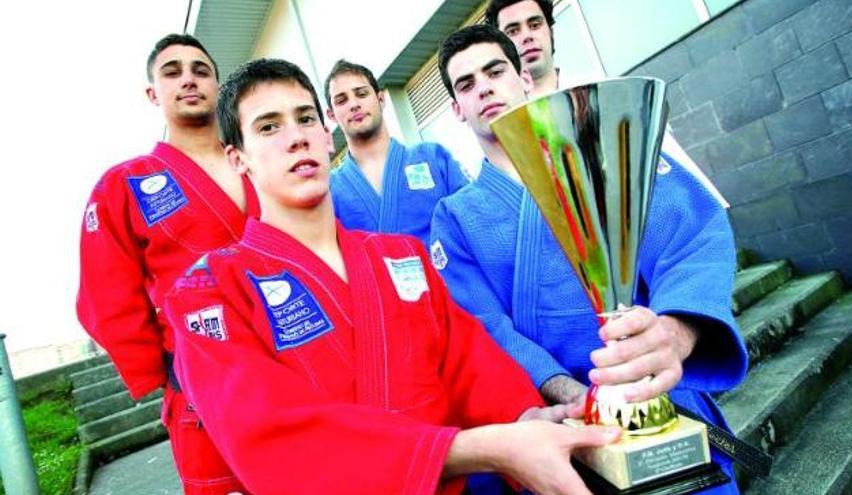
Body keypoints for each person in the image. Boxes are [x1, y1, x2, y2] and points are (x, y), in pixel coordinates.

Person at [163, 57, 621, 495]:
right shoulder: (209, 292)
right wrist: (474, 449)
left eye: (305, 119)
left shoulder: (401, 255)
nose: (296, 138)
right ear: (238, 158)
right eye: (268, 127)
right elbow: (270, 441)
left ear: (328, 135)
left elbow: (469, 364)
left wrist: (526, 420)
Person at [431, 24, 748, 493]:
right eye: (466, 84)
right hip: (555, 421)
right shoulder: (455, 216)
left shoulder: (608, 153)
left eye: (495, 70)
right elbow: (479, 323)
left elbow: (693, 238)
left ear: (523, 78)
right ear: (457, 109)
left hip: (656, 394)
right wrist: (565, 390)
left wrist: (674, 334)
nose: (484, 88)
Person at [76, 34, 253, 494]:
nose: (189, 80)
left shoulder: (258, 161)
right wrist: (169, 373)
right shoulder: (125, 185)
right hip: (201, 385)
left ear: (219, 86)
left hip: (297, 363)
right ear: (153, 93)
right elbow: (106, 297)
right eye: (172, 72)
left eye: (200, 70)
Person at [485, 0, 728, 206]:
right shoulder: (507, 131)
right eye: (513, 30)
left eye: (535, 24)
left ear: (551, 32)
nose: (527, 36)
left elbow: (669, 167)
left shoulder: (609, 92)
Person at [325, 59, 470, 247]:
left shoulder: (433, 158)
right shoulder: (329, 189)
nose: (354, 104)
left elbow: (473, 223)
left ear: (381, 99)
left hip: (447, 275)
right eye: (341, 100)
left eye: (361, 94)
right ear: (331, 115)